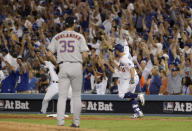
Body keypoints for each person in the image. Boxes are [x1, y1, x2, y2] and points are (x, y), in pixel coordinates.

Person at [47, 16, 89, 128]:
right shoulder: (79, 36)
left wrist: (56, 64)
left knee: (62, 96)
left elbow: (49, 54)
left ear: (65, 24)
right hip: (76, 65)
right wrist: (81, 64)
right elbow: (85, 55)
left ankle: (60, 123)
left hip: (63, 65)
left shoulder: (57, 37)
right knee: (76, 96)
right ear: (74, 24)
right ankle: (76, 122)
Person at [114, 44, 145, 118]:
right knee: (129, 96)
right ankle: (138, 112)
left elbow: (131, 69)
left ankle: (139, 95)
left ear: (118, 51)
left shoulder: (123, 59)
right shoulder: (126, 52)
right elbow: (126, 46)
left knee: (121, 94)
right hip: (132, 77)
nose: (115, 51)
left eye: (116, 50)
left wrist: (131, 79)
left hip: (131, 78)